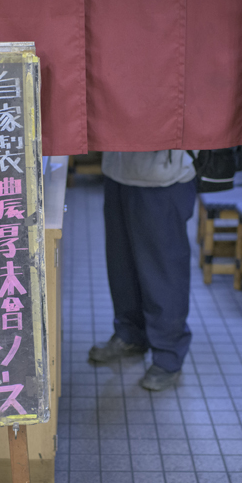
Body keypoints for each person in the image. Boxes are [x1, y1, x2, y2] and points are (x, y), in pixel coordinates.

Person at [87, 149, 197, 391]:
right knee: (121, 265)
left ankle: (168, 357)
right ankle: (130, 335)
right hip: (117, 169)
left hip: (165, 176)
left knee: (163, 272)